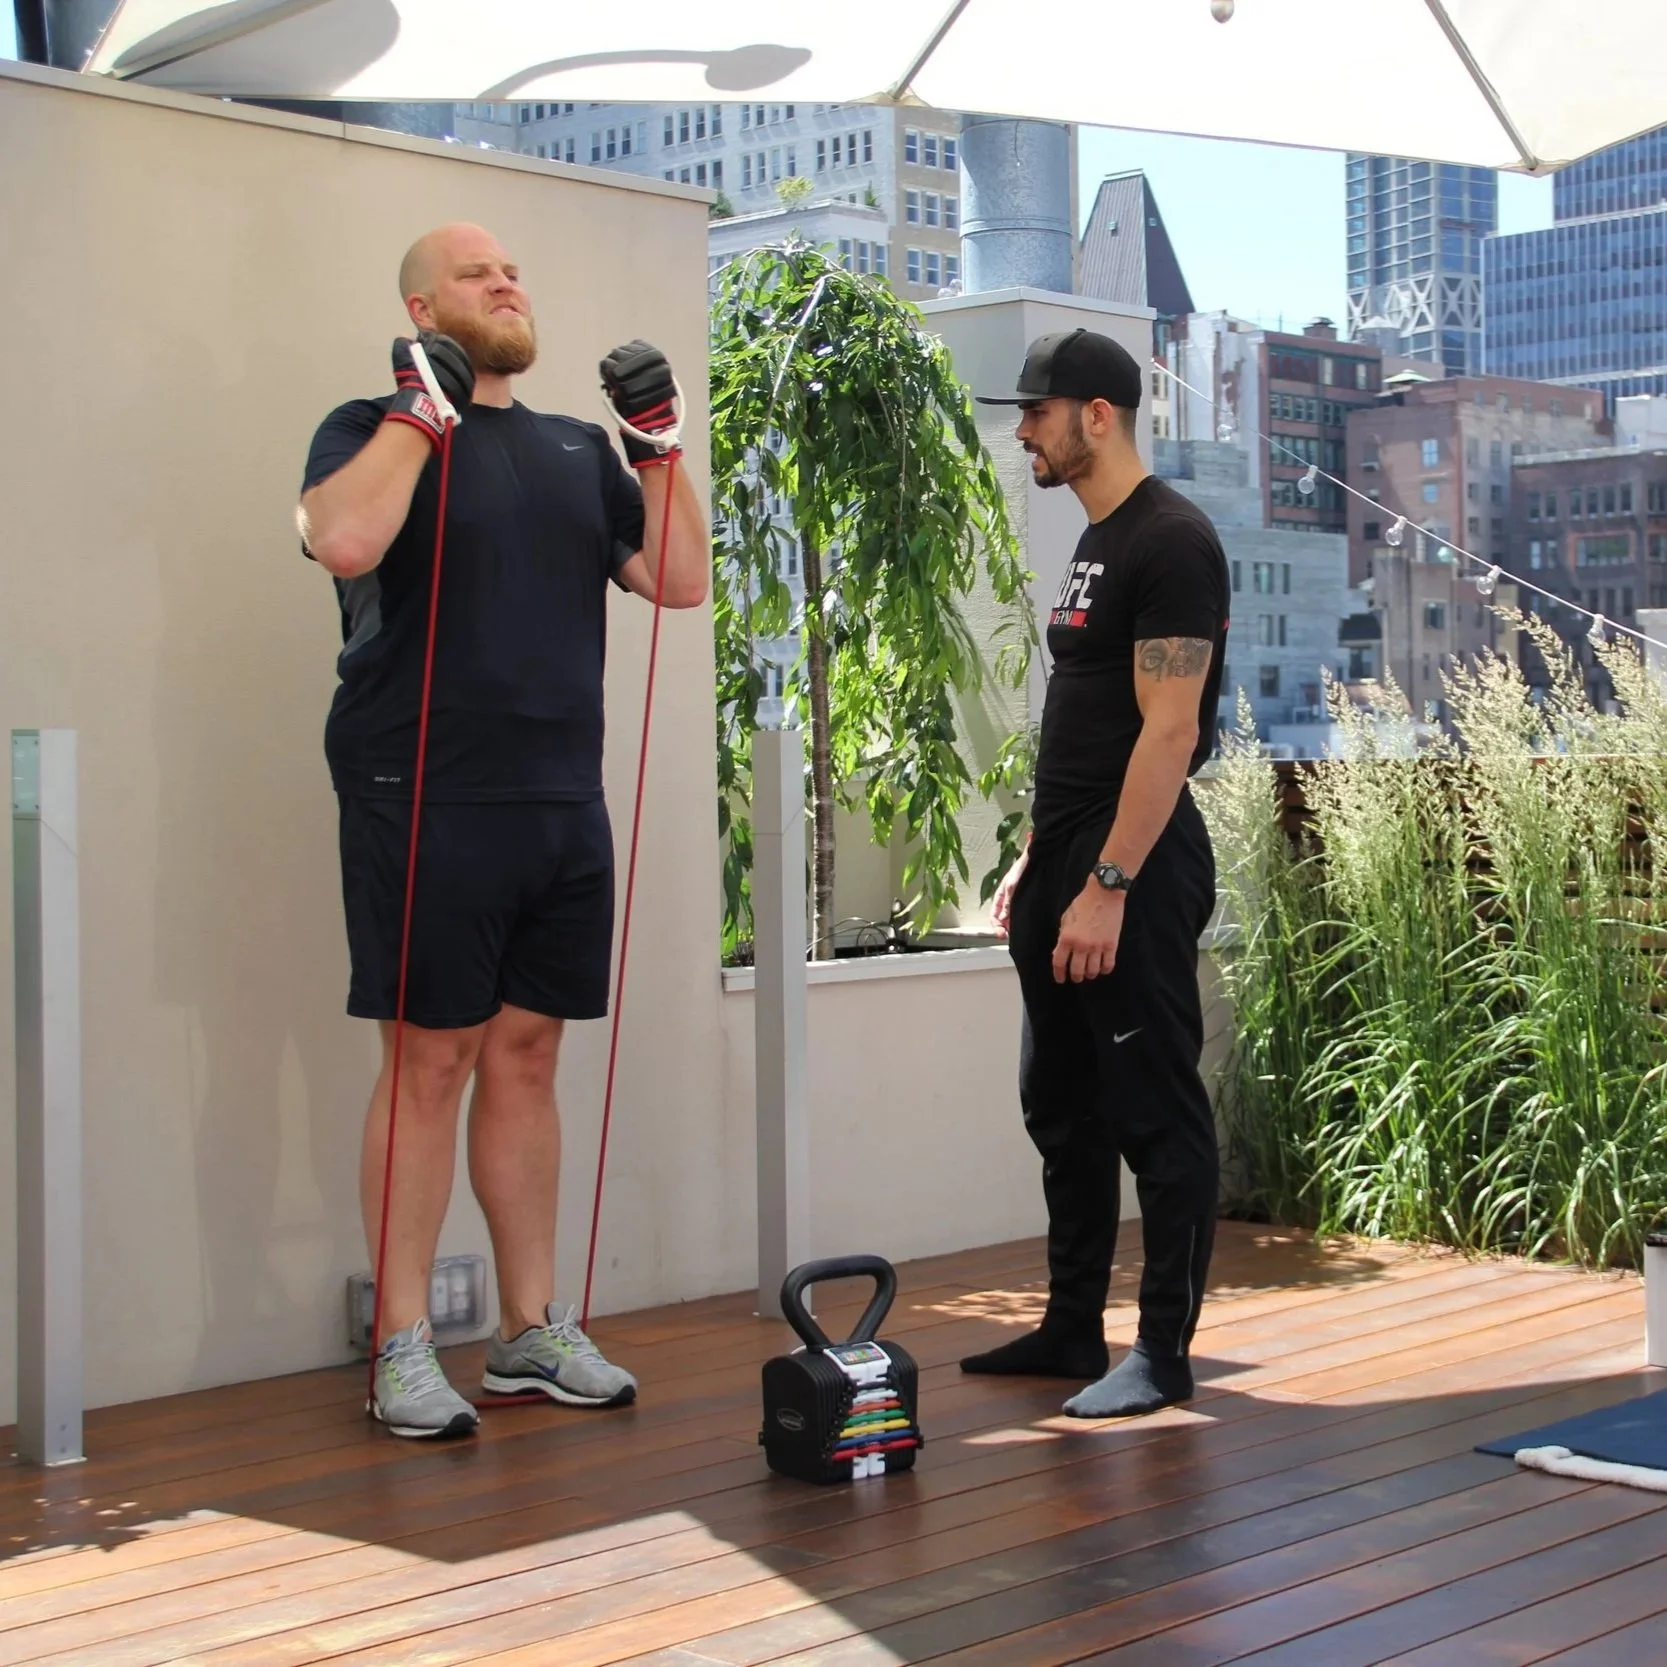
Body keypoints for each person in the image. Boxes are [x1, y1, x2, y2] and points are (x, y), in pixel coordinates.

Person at [296, 223, 707, 1439]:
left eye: (516, 272)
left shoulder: (579, 449)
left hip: (556, 798)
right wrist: (418, 418)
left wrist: (656, 448)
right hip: (420, 790)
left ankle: (530, 1331)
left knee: (526, 1054)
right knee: (429, 1060)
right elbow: (344, 539)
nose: (508, 285)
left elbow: (679, 581)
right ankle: (403, 1343)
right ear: (423, 302)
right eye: (479, 275)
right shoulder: (364, 427)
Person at [963, 329, 1229, 1418]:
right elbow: (1083, 722)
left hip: (1134, 866)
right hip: (1068, 854)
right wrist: (1039, 857)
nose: (1021, 428)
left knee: (1154, 1113)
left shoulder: (1172, 541)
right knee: (1060, 1105)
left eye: (1036, 410)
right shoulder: (1095, 542)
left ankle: (1161, 1353)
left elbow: (1167, 733)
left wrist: (1107, 884)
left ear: (1097, 415)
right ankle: (1074, 1324)